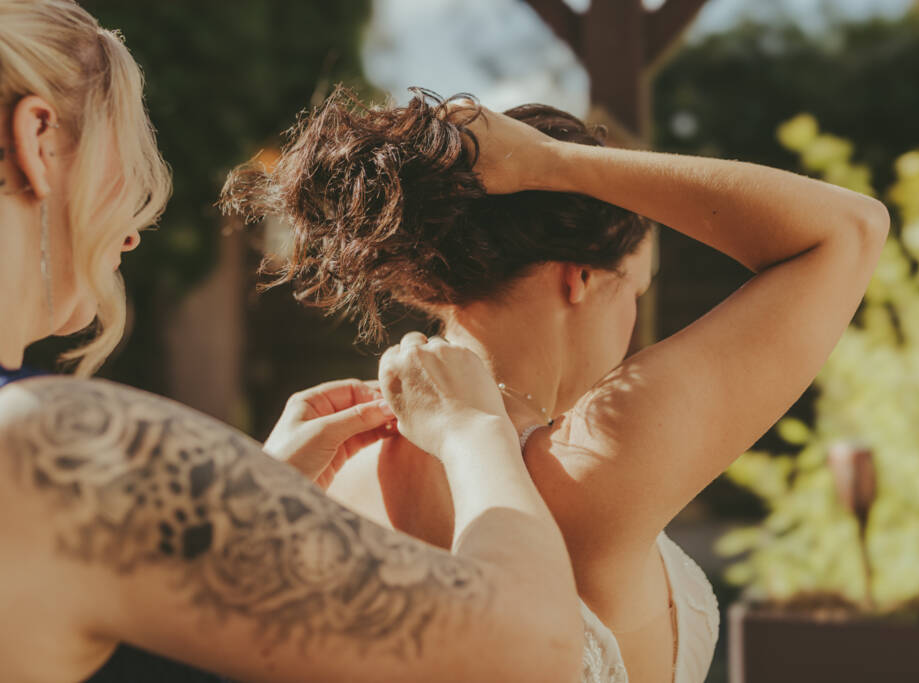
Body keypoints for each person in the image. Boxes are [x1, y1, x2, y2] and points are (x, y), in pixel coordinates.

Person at [221, 88, 891, 683]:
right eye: (638, 287)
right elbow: (850, 229)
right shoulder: (595, 457)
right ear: (585, 277)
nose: (633, 321)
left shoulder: (331, 461)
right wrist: (554, 164)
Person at [0, 3, 584, 682]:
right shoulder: (52, 446)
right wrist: (474, 429)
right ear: (39, 139)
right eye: (120, 158)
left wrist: (252, 495)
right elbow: (531, 653)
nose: (130, 232)